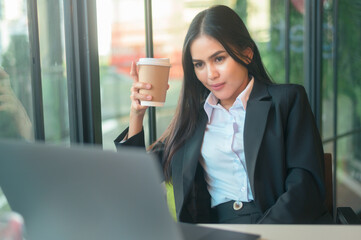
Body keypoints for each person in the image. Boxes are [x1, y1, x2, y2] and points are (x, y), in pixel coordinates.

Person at [115, 5, 333, 224]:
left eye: (219, 59)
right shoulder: (193, 121)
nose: (211, 75)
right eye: (199, 64)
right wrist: (137, 114)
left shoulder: (287, 100)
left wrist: (264, 233)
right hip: (218, 229)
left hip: (280, 226)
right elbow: (137, 177)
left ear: (247, 53)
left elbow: (306, 185)